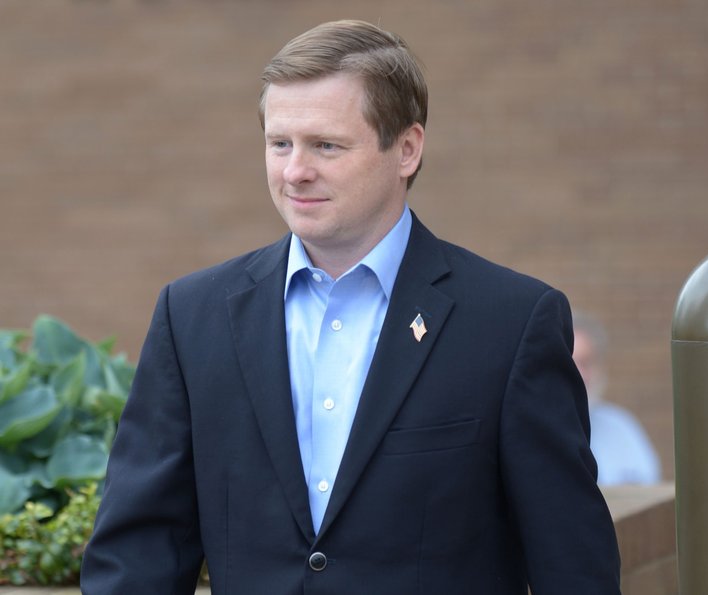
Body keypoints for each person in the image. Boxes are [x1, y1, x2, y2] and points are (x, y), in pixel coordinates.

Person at [81, 20, 621, 594]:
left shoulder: (511, 323)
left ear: (407, 149)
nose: (295, 171)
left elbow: (573, 566)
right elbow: (139, 556)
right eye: (280, 143)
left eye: (327, 146)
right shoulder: (193, 317)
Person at [572, 311, 661, 485]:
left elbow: (649, 490)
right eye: (571, 363)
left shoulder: (622, 427)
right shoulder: (531, 429)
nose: (579, 374)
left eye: (586, 363)